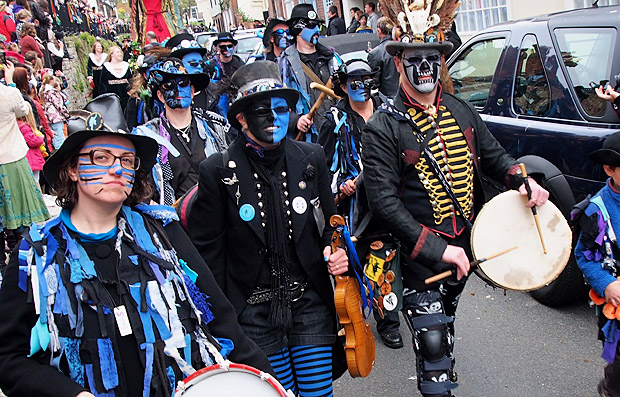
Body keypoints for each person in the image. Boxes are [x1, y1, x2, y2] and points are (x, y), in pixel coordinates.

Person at [0, 93, 273, 396]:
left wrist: (267, 382)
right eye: (101, 158)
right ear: (73, 169)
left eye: (127, 160)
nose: (117, 169)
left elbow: (220, 319)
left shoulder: (163, 234)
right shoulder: (37, 254)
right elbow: (8, 359)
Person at [361, 5, 549, 396]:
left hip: (465, 246)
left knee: (443, 326)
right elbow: (383, 202)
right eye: (415, 59)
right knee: (431, 342)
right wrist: (436, 249)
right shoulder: (382, 126)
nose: (426, 67)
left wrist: (523, 180)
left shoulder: (461, 110)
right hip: (417, 258)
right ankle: (437, 380)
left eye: (433, 58)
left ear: (442, 60)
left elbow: (496, 158)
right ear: (398, 62)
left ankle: (440, 370)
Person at [188, 60, 348, 397]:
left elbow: (330, 227)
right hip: (251, 312)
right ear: (242, 118)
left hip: (309, 303)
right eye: (263, 111)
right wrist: (219, 322)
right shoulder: (216, 170)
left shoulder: (312, 157)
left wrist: (336, 253)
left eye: (282, 109)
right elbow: (208, 256)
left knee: (318, 394)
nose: (275, 118)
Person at [317, 59, 403, 349]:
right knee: (355, 260)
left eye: (366, 80)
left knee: (385, 256)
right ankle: (355, 315)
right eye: (354, 82)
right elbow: (323, 165)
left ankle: (388, 318)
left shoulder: (390, 111)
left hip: (387, 198)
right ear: (342, 86)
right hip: (352, 205)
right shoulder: (334, 120)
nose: (362, 87)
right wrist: (340, 184)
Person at [136, 57, 229, 206]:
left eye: (183, 84)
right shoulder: (148, 135)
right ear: (160, 95)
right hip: (174, 220)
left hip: (216, 212)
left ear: (192, 91)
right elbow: (141, 186)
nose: (178, 90)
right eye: (168, 86)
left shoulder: (214, 126)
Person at [574, 132, 620, 397]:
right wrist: (607, 284)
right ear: (609, 169)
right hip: (616, 297)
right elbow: (583, 256)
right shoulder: (595, 210)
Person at [0, 61, 49, 270]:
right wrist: (10, 83)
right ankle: (22, 255)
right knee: (22, 214)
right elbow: (22, 109)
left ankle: (4, 264)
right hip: (11, 158)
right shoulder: (8, 94)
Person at [279, 3, 342, 141]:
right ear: (298, 30)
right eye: (311, 26)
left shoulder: (332, 58)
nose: (316, 30)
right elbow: (279, 101)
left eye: (317, 26)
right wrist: (296, 121)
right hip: (307, 140)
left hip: (336, 134)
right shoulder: (285, 63)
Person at [367, 17, 399, 97]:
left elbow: (374, 83)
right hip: (406, 97)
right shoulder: (403, 48)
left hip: (387, 99)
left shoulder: (376, 53)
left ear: (379, 30)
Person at [98, 45, 132, 110]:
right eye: (117, 52)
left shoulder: (125, 65)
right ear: (112, 54)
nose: (120, 53)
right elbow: (102, 83)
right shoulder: (106, 67)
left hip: (125, 97)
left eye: (120, 52)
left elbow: (131, 80)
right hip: (111, 99)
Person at [41, 73, 69, 150]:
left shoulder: (43, 91)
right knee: (60, 139)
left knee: (55, 138)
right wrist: (67, 115)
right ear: (52, 80)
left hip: (49, 118)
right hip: (56, 118)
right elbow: (59, 105)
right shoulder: (52, 92)